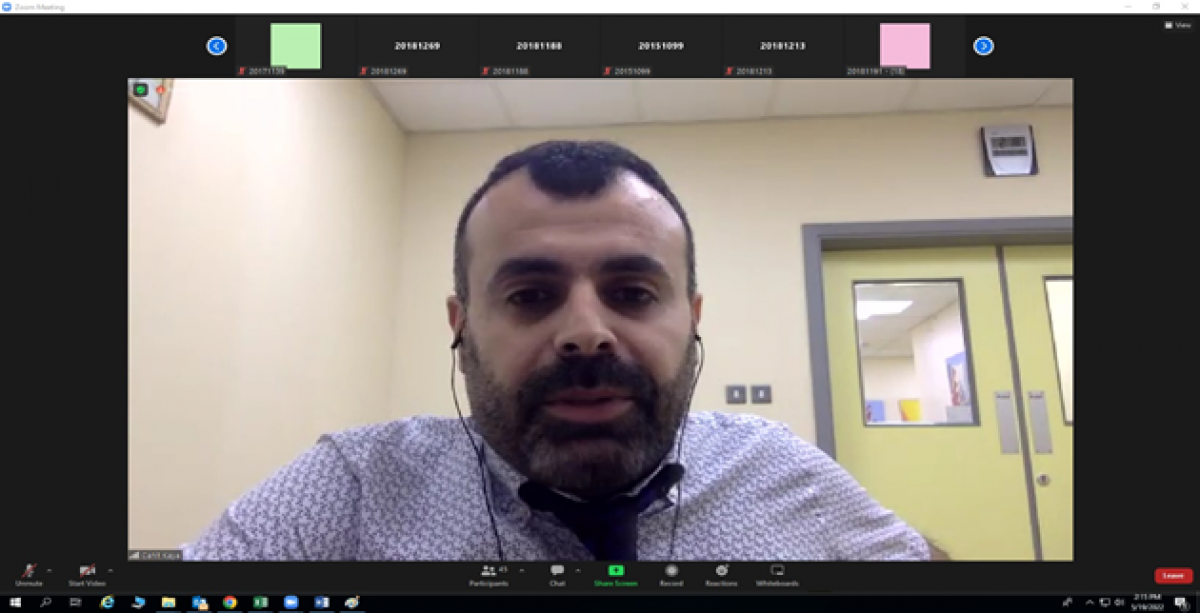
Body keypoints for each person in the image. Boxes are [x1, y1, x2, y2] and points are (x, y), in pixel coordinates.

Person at [182, 140, 939, 561]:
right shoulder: (354, 488)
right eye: (530, 295)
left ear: (692, 317)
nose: (585, 331)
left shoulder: (776, 469)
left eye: (632, 292)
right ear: (460, 324)